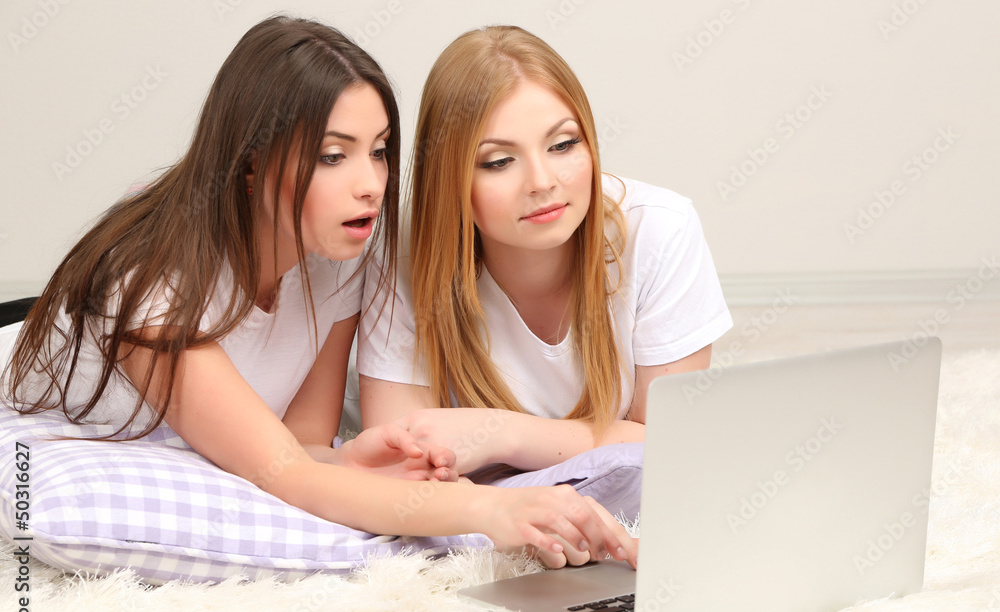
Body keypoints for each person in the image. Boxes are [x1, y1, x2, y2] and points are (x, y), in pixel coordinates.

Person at [0, 16, 635, 571]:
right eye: (334, 156)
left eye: (380, 152)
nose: (371, 185)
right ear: (250, 164)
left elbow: (304, 446)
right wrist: (493, 509)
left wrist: (352, 459)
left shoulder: (340, 265)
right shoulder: (147, 286)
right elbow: (291, 476)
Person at [358, 25, 733, 478]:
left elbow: (674, 444)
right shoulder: (403, 254)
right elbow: (400, 462)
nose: (542, 181)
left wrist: (501, 433)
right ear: (448, 178)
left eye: (563, 144)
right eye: (498, 161)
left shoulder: (660, 229)